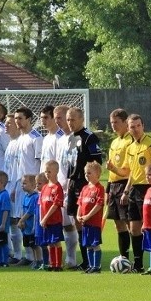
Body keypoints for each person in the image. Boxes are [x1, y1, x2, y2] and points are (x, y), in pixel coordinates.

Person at [119, 114, 151, 273]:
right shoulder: (130, 148)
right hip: (133, 190)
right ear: (128, 128)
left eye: (138, 126)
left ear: (143, 126)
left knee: (150, 227)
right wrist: (125, 191)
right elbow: (131, 172)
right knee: (134, 228)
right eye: (132, 127)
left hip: (148, 189)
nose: (135, 129)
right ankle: (138, 264)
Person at [64, 107, 103, 270]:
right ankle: (86, 259)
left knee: (85, 222)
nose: (70, 123)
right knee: (76, 220)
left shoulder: (90, 137)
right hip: (73, 183)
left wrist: (90, 183)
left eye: (73, 119)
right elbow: (70, 163)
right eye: (68, 119)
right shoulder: (70, 138)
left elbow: (97, 162)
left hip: (83, 183)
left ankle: (90, 261)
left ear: (81, 119)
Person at [13, 107, 43, 265]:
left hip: (32, 187)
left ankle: (39, 257)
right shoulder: (20, 138)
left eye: (20, 118)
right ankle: (28, 256)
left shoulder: (36, 138)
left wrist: (37, 186)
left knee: (32, 220)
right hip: (21, 186)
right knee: (20, 219)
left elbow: (39, 163)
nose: (17, 121)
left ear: (29, 119)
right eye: (16, 118)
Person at [53, 104, 80, 269]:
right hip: (61, 187)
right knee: (64, 224)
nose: (59, 121)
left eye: (61, 118)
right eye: (56, 118)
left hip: (73, 187)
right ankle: (69, 259)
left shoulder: (79, 138)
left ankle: (76, 259)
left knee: (75, 223)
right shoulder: (60, 139)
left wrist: (71, 182)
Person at [105, 109, 134, 261]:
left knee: (130, 223)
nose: (113, 126)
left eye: (116, 122)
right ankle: (124, 257)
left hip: (125, 184)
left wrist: (114, 169)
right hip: (114, 185)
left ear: (125, 122)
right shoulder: (114, 142)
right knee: (118, 224)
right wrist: (107, 190)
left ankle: (136, 257)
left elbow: (129, 170)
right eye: (111, 123)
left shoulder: (130, 141)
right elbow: (111, 171)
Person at [76, 162, 105, 274]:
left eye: (89, 173)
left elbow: (99, 205)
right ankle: (90, 265)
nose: (86, 175)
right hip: (85, 222)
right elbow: (80, 204)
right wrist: (79, 215)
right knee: (88, 244)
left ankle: (96, 266)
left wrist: (88, 216)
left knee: (95, 244)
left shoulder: (99, 188)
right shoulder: (85, 188)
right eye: (85, 173)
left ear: (97, 174)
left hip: (94, 222)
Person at [2, 115, 23, 263]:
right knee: (10, 220)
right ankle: (13, 253)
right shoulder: (10, 143)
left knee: (17, 220)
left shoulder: (20, 142)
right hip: (8, 185)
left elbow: (21, 168)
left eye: (9, 123)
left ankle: (20, 255)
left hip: (17, 186)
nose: (6, 126)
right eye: (6, 123)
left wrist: (16, 186)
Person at [40, 160, 66, 272]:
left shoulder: (57, 187)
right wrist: (42, 219)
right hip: (46, 221)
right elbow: (41, 204)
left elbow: (56, 204)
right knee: (49, 242)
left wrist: (46, 217)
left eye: (49, 171)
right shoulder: (45, 187)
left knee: (56, 241)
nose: (47, 174)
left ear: (56, 172)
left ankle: (58, 264)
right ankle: (52, 263)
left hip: (55, 220)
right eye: (46, 171)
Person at [18, 174, 42, 270]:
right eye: (22, 183)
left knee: (35, 245)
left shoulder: (35, 197)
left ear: (33, 185)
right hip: (26, 226)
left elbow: (30, 212)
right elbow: (24, 210)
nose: (22, 185)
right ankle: (35, 260)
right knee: (31, 245)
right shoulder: (26, 196)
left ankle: (39, 260)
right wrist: (22, 222)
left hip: (32, 226)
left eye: (24, 183)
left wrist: (21, 220)